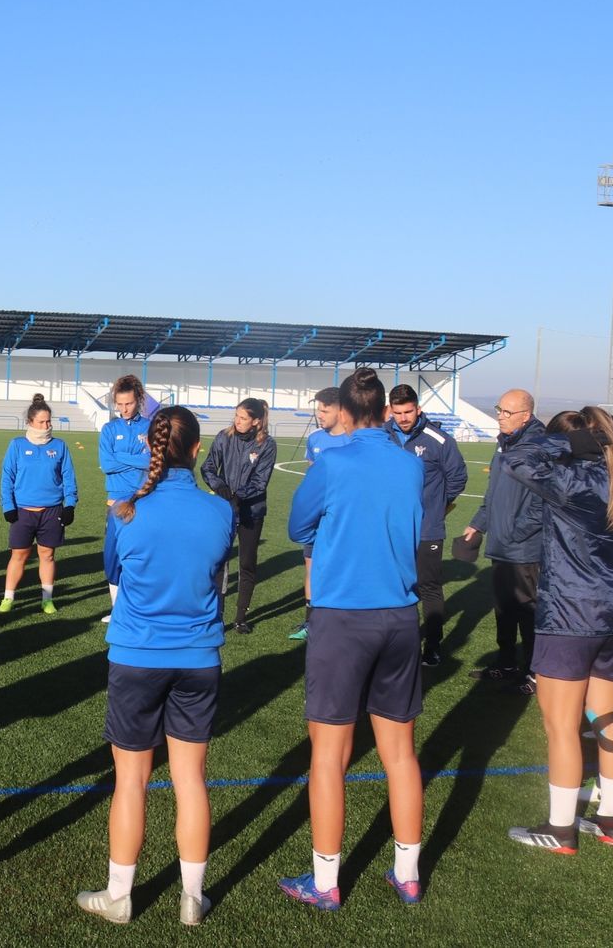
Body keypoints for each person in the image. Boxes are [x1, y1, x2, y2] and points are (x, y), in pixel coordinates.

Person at [76, 406, 234, 927]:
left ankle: (120, 894)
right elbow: (215, 570)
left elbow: (113, 569)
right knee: (191, 779)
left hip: (137, 656)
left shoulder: (125, 511)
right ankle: (192, 897)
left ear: (151, 448)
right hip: (197, 657)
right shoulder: (219, 512)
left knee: (131, 782)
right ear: (196, 451)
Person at [282, 368, 426, 910]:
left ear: (343, 410)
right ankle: (407, 875)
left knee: (329, 754)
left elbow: (299, 527)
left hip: (343, 617)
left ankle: (324, 884)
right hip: (399, 616)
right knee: (400, 753)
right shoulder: (410, 465)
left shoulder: (333, 461)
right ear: (386, 411)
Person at [505, 406, 613, 853]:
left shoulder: (573, 483)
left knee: (562, 728)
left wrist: (565, 443)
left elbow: (517, 458)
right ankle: (609, 820)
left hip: (569, 619)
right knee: (608, 716)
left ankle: (561, 828)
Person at [461, 389, 545, 692]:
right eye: (499, 409)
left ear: (526, 415)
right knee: (504, 610)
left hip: (524, 550)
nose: (499, 415)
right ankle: (507, 664)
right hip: (503, 545)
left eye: (507, 412)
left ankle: (535, 672)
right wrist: (479, 523)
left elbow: (542, 503)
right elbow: (493, 491)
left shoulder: (537, 447)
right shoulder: (505, 444)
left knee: (528, 611)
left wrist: (514, 533)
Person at [385, 385, 469, 667]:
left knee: (429, 587)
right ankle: (396, 644)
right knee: (394, 586)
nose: (403, 417)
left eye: (408, 411)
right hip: (392, 529)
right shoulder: (384, 436)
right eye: (397, 412)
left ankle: (432, 647)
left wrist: (437, 507)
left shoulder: (438, 439)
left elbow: (458, 477)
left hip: (426, 529)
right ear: (390, 411)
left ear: (418, 409)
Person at [200, 398, 276, 634]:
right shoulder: (224, 437)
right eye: (236, 416)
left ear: (256, 421)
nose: (238, 421)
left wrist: (238, 496)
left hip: (251, 511)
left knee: (247, 563)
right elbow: (208, 467)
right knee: (220, 561)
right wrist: (221, 487)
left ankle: (241, 617)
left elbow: (260, 482)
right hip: (224, 510)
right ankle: (217, 615)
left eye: (243, 418)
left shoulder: (267, 445)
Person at [0, 394, 78, 615]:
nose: (47, 425)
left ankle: (47, 599)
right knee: (19, 555)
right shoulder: (17, 445)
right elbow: (7, 478)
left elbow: (69, 478)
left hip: (51, 511)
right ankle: (8, 598)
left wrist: (69, 505)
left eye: (49, 421)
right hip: (23, 512)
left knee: (47, 555)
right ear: (30, 422)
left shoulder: (60, 446)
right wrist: (8, 506)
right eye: (42, 422)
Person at [290, 387, 350, 641]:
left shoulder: (352, 439)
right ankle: (311, 623)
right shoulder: (315, 438)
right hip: (318, 518)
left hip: (342, 518)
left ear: (341, 411)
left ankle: (341, 621)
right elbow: (311, 477)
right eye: (318, 409)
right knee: (312, 567)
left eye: (325, 410)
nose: (319, 414)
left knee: (340, 569)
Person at [98, 375, 151, 624]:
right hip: (116, 502)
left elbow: (151, 461)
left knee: (140, 558)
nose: (123, 409)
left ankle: (139, 610)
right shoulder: (109, 429)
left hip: (143, 500)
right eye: (119, 404)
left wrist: (121, 456)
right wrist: (134, 458)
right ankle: (118, 610)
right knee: (113, 557)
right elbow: (106, 464)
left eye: (128, 403)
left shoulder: (150, 427)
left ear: (138, 400)